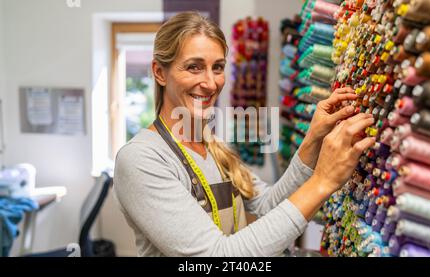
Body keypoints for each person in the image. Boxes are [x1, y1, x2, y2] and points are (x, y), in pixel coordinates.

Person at [113, 11, 375, 257]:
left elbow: (266, 207)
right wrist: (322, 182)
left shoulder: (213, 146)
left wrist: (313, 139)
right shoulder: (141, 159)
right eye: (194, 67)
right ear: (160, 72)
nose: (211, 82)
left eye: (217, 67)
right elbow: (217, 257)